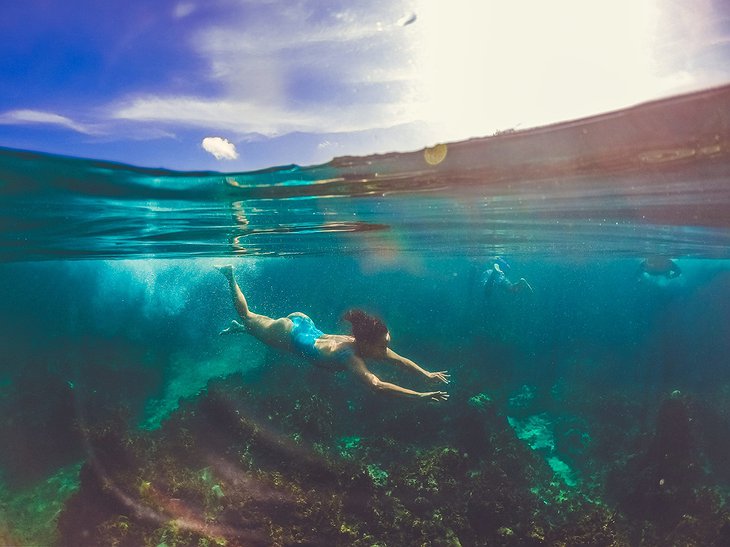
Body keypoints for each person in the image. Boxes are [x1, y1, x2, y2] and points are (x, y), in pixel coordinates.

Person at [216, 265, 449, 402]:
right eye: (382, 345)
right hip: (290, 334)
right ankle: (231, 276)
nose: (385, 350)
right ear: (366, 342)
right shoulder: (349, 356)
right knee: (248, 316)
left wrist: (426, 374)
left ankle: (241, 329)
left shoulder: (364, 344)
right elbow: (376, 385)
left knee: (255, 325)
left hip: (304, 323)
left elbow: (401, 362)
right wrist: (419, 396)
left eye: (386, 344)